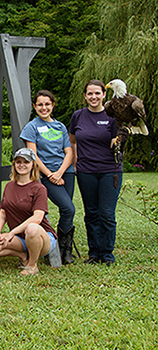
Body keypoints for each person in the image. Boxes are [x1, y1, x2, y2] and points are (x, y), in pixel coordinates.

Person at [69, 79, 122, 266]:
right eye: (90, 93)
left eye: (97, 93)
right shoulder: (78, 116)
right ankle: (94, 253)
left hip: (110, 170)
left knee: (106, 214)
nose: (93, 97)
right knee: (91, 213)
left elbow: (120, 138)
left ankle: (107, 254)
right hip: (86, 171)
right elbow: (72, 141)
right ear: (85, 96)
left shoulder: (113, 116)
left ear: (104, 95)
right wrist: (75, 163)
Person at [20, 90, 76, 264]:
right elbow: (33, 155)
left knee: (67, 211)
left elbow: (69, 151)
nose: (44, 108)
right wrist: (50, 174)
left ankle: (65, 251)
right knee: (69, 208)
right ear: (35, 106)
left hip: (65, 173)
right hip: (46, 175)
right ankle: (54, 248)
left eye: (47, 104)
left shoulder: (60, 126)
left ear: (52, 105)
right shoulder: (32, 126)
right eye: (40, 104)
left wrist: (60, 172)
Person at [0, 148, 58, 276]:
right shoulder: (9, 186)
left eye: (26, 162)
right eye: (18, 162)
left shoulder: (39, 188)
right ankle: (23, 255)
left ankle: (32, 265)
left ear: (33, 165)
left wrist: (12, 232)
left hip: (41, 237)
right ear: (14, 164)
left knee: (32, 228)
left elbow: (38, 218)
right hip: (20, 238)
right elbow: (3, 212)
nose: (22, 165)